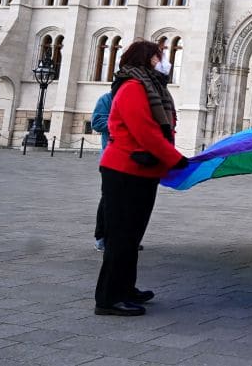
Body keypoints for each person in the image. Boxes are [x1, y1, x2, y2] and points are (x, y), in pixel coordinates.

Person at [94, 40, 187, 316]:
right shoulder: (133, 87)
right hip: (123, 171)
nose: (163, 60)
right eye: (159, 56)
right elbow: (145, 131)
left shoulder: (153, 87)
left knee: (132, 236)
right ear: (147, 59)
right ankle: (108, 298)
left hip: (142, 172)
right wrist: (175, 159)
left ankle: (126, 288)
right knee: (121, 236)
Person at [91, 91, 112, 252]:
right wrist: (122, 123)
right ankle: (101, 237)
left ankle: (122, 237)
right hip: (110, 158)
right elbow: (97, 122)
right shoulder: (106, 98)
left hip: (132, 159)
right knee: (109, 199)